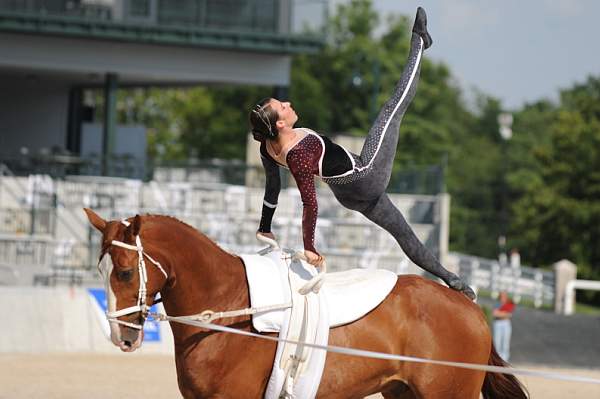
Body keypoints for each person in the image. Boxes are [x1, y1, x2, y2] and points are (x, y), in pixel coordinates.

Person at [249, 7, 475, 300]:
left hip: (350, 196)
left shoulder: (269, 147)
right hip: (366, 174)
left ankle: (453, 281)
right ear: (280, 123)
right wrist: (310, 247)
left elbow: (273, 188)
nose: (289, 103)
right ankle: (420, 41)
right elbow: (309, 204)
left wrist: (265, 227)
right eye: (283, 106)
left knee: (404, 235)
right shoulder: (299, 153)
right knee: (392, 108)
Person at [493, 291, 515, 361]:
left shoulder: (509, 304)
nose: (503, 297)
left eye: (504, 296)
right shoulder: (497, 304)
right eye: (501, 296)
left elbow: (509, 315)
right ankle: (497, 360)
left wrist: (500, 313)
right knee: (497, 343)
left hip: (505, 323)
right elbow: (495, 314)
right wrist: (504, 314)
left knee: (505, 343)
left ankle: (505, 360)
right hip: (498, 323)